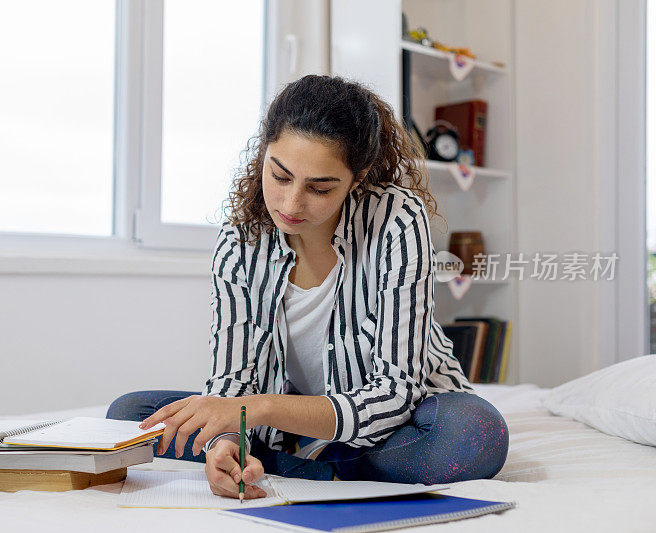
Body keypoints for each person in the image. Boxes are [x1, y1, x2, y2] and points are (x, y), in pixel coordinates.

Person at [107, 74, 509, 501]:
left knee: (474, 434)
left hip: (402, 418)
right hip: (292, 422)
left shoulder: (396, 219)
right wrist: (225, 444)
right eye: (280, 176)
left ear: (358, 178)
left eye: (319, 187)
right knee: (130, 417)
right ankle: (322, 467)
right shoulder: (241, 240)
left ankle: (307, 466)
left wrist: (255, 410)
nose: (291, 204)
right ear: (264, 153)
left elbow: (395, 395)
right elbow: (232, 382)